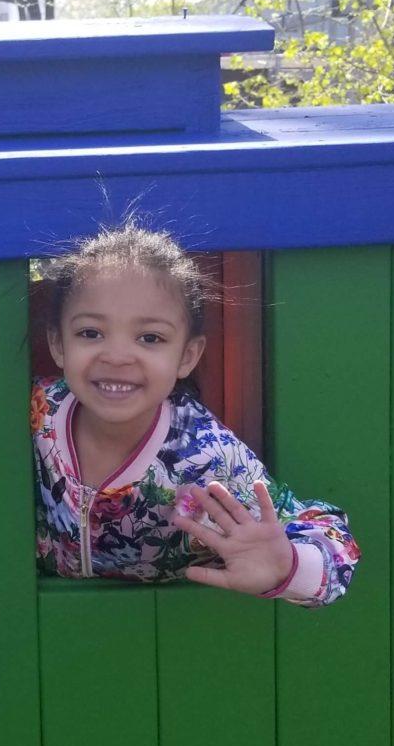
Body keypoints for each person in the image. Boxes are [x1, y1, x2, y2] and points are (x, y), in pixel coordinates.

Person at [30, 223, 359, 602]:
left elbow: (335, 541)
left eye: (150, 338)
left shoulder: (207, 456)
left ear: (187, 356)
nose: (117, 356)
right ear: (58, 344)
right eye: (90, 333)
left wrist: (286, 565)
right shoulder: (40, 412)